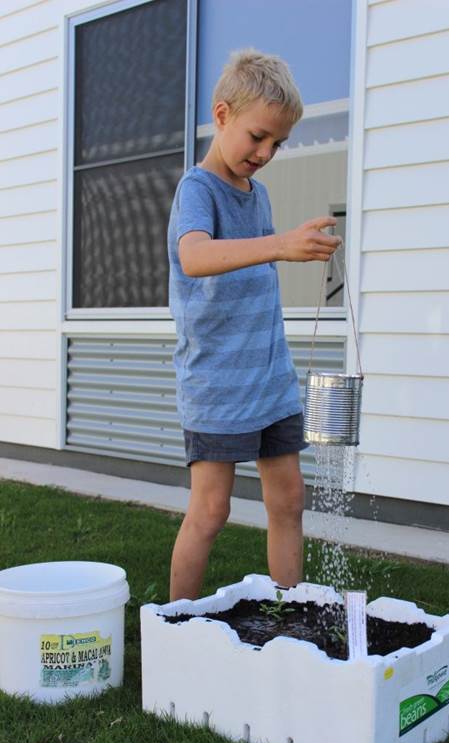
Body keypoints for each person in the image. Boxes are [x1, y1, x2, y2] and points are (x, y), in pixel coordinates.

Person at [167, 47, 342, 601]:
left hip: (270, 378)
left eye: (278, 144)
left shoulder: (257, 193)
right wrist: (282, 245)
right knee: (211, 509)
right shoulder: (197, 188)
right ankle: (176, 625)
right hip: (218, 383)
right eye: (257, 137)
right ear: (222, 116)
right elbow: (195, 256)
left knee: (288, 499)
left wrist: (289, 243)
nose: (265, 153)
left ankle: (290, 620)